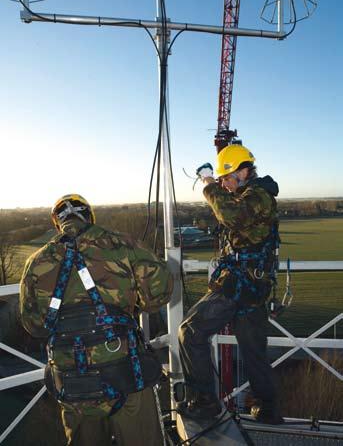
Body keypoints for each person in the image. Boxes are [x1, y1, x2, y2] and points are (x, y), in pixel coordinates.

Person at [19, 194, 173, 446]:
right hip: (125, 372)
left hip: (72, 380)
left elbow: (33, 325)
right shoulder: (122, 244)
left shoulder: (36, 262)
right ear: (89, 216)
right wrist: (131, 305)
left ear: (57, 223)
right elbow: (159, 294)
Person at [178, 144, 284, 424]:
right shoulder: (253, 196)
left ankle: (204, 403)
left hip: (239, 283)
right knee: (252, 350)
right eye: (222, 180)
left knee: (189, 332)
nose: (224, 184)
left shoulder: (258, 196)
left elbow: (232, 216)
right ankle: (267, 408)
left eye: (227, 178)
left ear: (243, 171)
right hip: (252, 285)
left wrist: (209, 185)